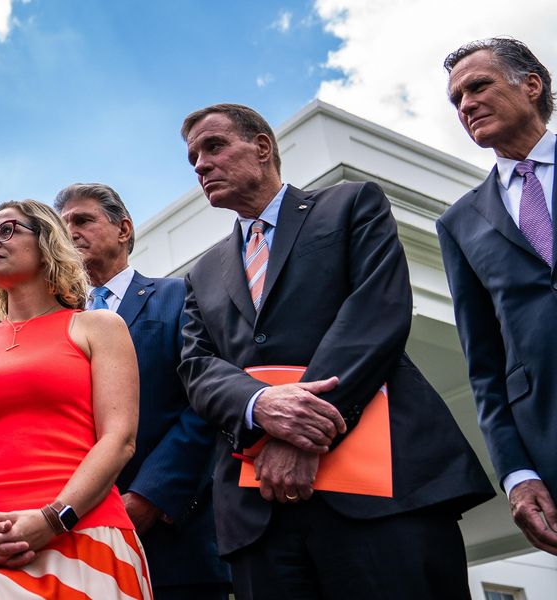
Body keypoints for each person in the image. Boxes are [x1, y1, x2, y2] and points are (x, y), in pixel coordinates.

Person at [178, 103, 493, 599]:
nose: (200, 165)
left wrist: (302, 434)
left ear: (262, 147)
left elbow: (377, 311)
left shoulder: (350, 205)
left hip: (383, 493)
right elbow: (196, 367)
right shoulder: (201, 273)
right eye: (193, 157)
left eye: (213, 146)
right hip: (261, 514)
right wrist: (262, 407)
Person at [0, 200, 150, 598]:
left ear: (48, 241)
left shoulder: (99, 327)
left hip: (85, 533)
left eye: (8, 230)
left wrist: (52, 518)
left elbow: (119, 439)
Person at [56, 183, 231, 599]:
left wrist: (149, 496)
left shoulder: (179, 295)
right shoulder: (59, 321)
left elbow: (202, 401)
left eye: (82, 220)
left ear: (124, 229)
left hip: (170, 540)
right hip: (69, 538)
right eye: (62, 228)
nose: (71, 234)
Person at [438, 37, 557, 556]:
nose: (465, 104)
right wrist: (516, 472)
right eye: (456, 99)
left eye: (477, 86)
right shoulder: (459, 222)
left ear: (531, 85)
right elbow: (483, 364)